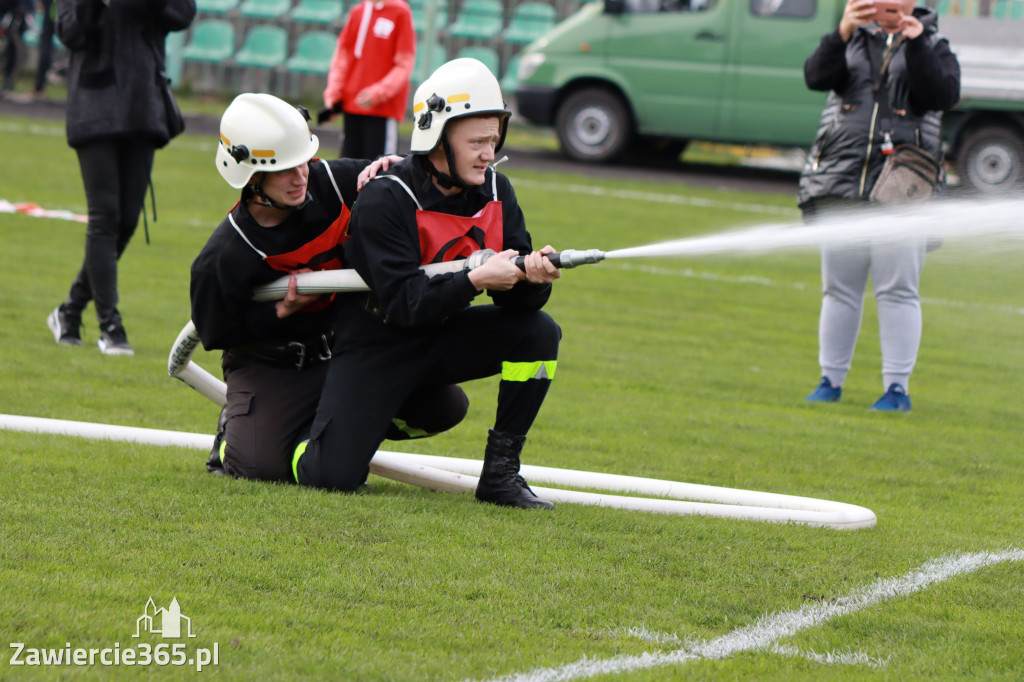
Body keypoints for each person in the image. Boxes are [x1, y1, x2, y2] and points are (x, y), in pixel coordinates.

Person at [296, 58, 562, 509]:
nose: (487, 153)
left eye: (493, 141)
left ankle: (501, 474)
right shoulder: (386, 198)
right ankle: (318, 428)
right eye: (476, 141)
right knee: (329, 478)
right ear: (438, 139)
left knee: (539, 332)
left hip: (441, 335)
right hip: (377, 340)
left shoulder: (499, 191)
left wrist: (533, 279)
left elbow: (518, 305)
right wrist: (476, 277)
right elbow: (403, 304)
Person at [191, 93, 469, 482]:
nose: (301, 176)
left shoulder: (335, 183)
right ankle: (235, 434)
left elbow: (403, 185)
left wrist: (399, 173)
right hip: (276, 365)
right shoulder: (225, 255)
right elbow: (214, 330)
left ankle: (332, 435)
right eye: (285, 169)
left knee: (442, 406)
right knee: (258, 465)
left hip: (349, 347)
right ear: (251, 177)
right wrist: (280, 311)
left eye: (303, 161)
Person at [798, 0, 960, 412]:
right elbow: (816, 77)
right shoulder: (848, 40)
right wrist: (840, 34)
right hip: (842, 181)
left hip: (904, 188)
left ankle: (896, 390)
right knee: (839, 288)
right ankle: (829, 381)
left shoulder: (935, 44)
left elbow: (941, 94)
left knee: (898, 290)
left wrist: (917, 43)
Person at [47, 0, 196, 355]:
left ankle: (69, 310)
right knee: (105, 218)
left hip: (143, 108)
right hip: (94, 107)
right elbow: (69, 32)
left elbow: (182, 14)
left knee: (127, 220)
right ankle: (110, 325)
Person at [322, 0, 415, 159]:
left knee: (380, 171)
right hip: (351, 106)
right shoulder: (357, 11)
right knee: (348, 171)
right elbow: (342, 56)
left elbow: (404, 63)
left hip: (382, 110)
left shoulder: (401, 12)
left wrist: (378, 93)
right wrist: (334, 94)